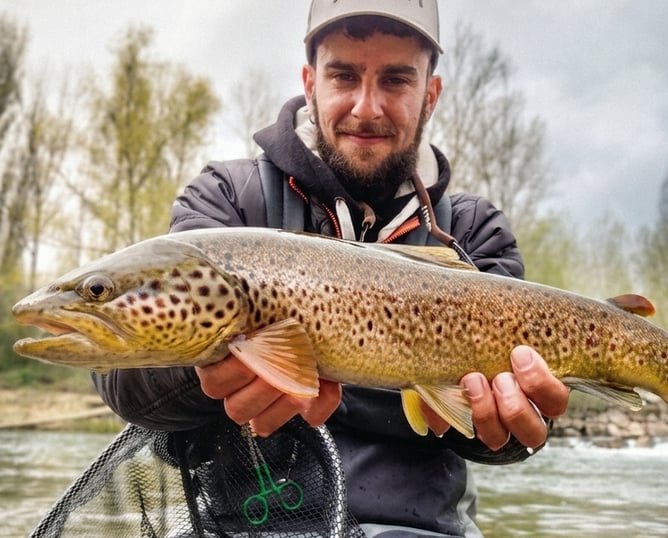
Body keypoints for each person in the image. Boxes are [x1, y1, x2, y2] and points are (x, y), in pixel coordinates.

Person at [93, 1, 570, 536]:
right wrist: (201, 362)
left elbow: (520, 419)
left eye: (395, 80)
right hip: (249, 526)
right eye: (343, 75)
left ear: (430, 96)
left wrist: (511, 427)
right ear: (310, 81)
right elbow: (121, 382)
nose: (367, 107)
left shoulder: (473, 231)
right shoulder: (230, 202)